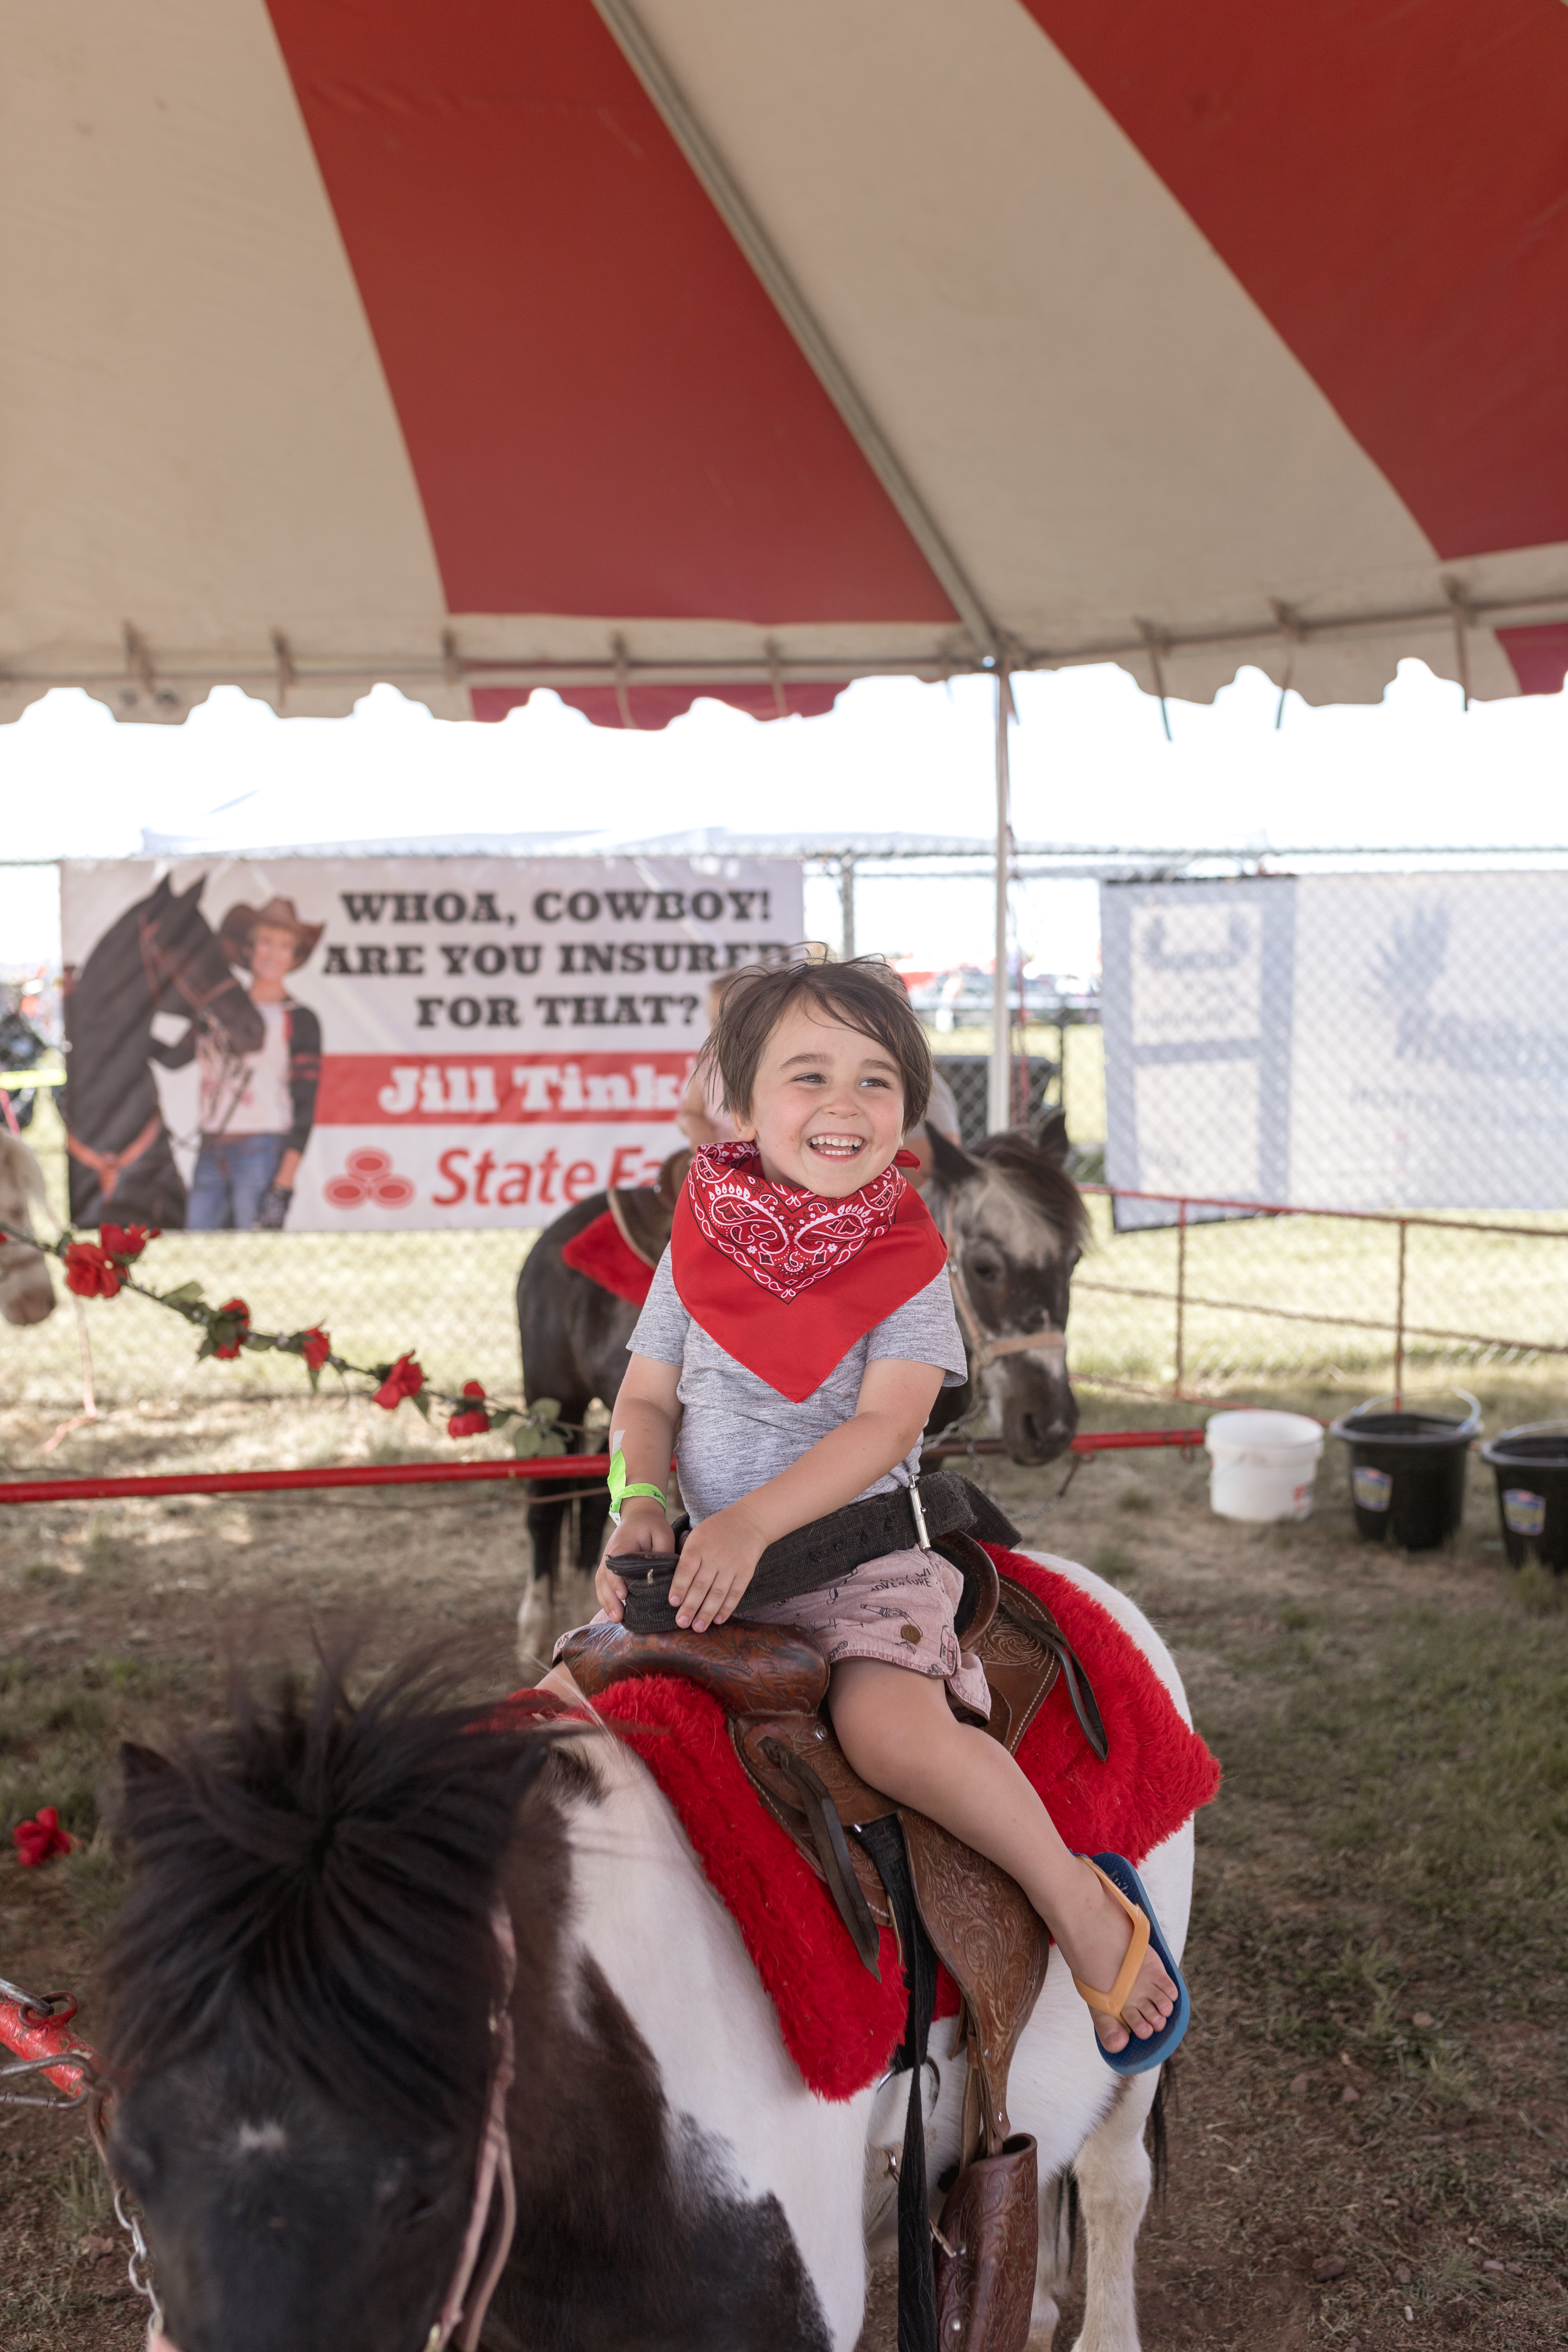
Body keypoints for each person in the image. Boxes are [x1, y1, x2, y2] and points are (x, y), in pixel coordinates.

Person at [552, 956, 1179, 2059]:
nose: (843, 1104)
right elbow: (645, 1395)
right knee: (563, 1718)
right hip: (708, 1566)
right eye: (808, 1075)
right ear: (739, 1103)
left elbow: (886, 1428)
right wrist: (641, 1503)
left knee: (889, 1733)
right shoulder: (698, 1235)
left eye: (876, 1079)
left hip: (855, 1565)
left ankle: (1076, 1899)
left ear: (910, 1111)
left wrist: (751, 1523)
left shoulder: (905, 1262)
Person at [160, 896, 323, 1231]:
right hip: (210, 1147)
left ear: (295, 957)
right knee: (199, 1248)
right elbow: (173, 1059)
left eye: (284, 946)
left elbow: (306, 1106)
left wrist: (283, 1185)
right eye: (265, 941)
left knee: (256, 1254)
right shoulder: (218, 1010)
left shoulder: (300, 1019)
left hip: (262, 1148)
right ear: (248, 949)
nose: (272, 953)